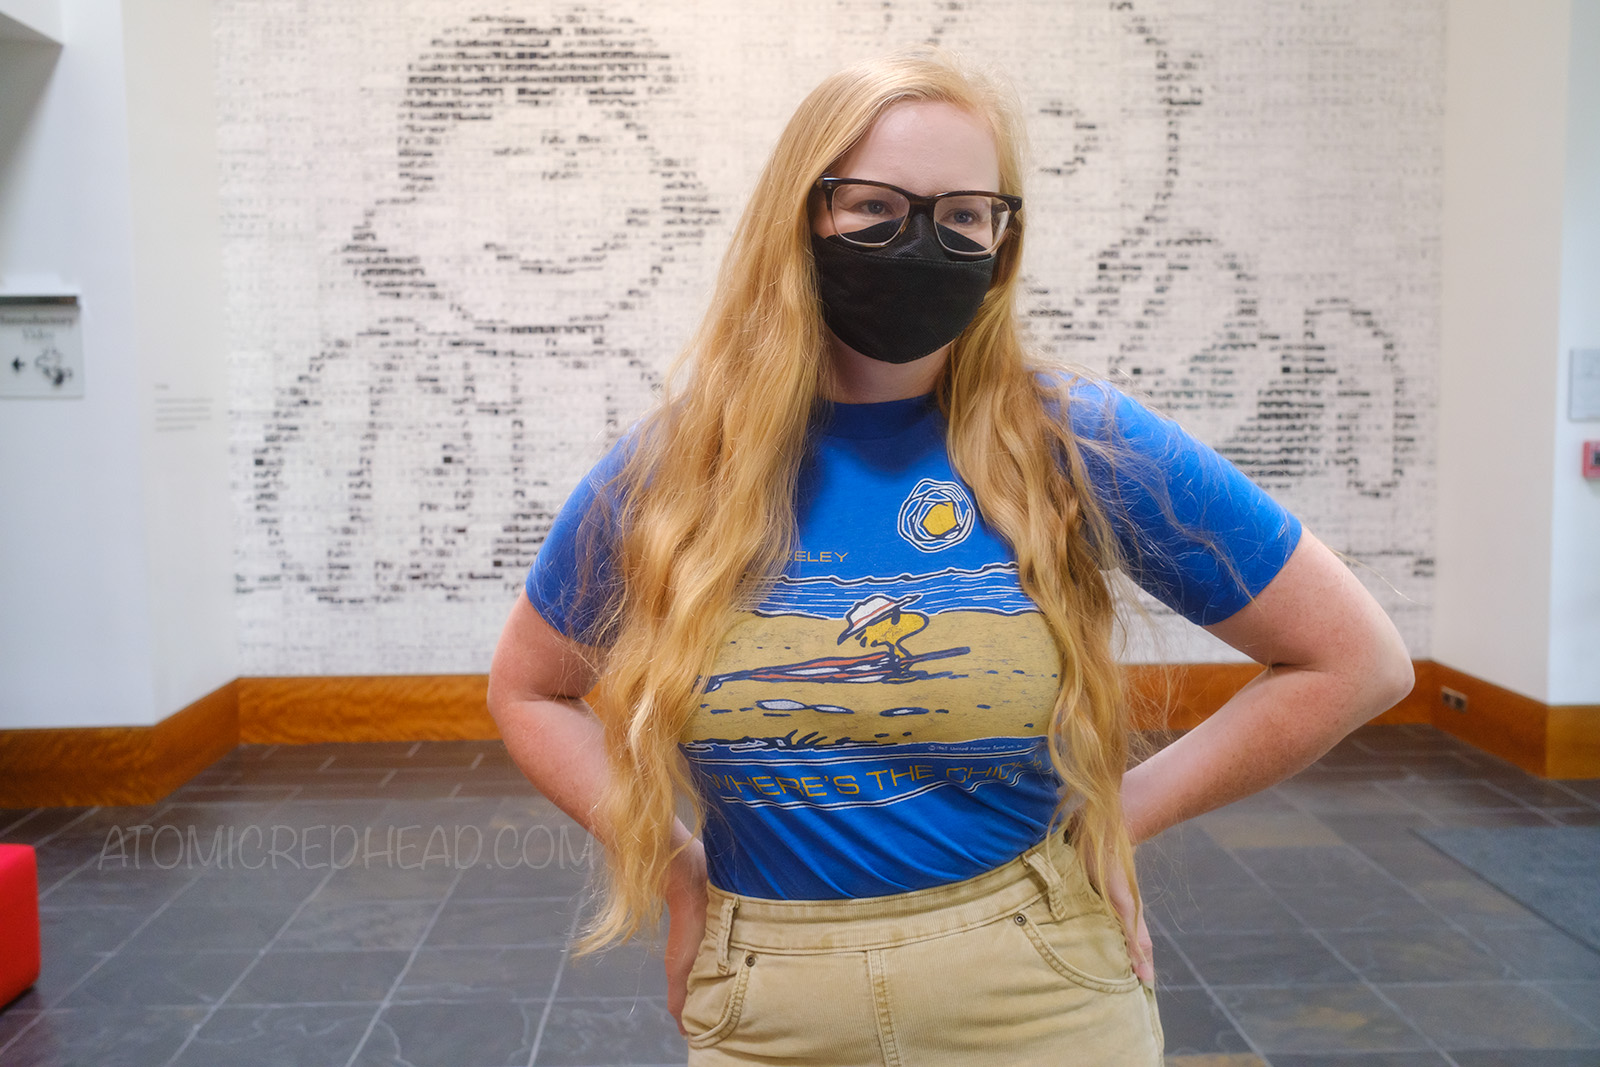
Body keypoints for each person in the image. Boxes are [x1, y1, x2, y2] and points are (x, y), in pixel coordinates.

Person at [488, 46, 1414, 1066]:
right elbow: (530, 688)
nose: (922, 243)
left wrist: (1121, 814)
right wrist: (671, 868)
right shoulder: (672, 469)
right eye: (875, 207)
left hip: (1037, 991)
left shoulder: (1076, 441)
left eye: (964, 215)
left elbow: (1355, 658)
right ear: (799, 218)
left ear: (1000, 241)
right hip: (768, 1006)